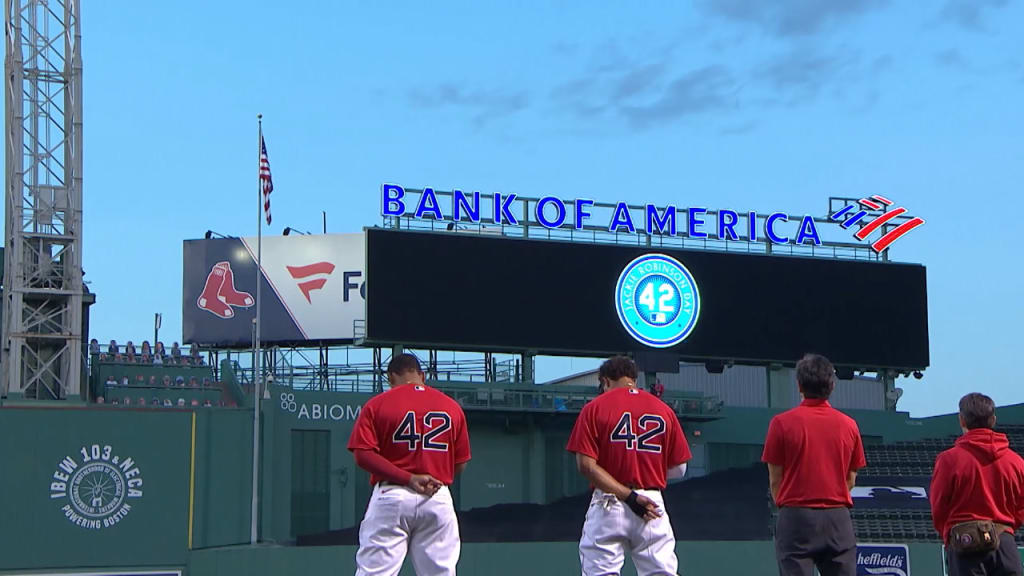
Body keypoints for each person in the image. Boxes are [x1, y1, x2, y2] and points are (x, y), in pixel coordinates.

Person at [347, 353, 471, 576]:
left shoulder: (378, 404)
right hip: (437, 496)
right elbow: (460, 463)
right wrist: (434, 479)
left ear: (391, 377)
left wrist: (409, 478)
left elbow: (362, 455)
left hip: (392, 494)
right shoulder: (451, 407)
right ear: (422, 375)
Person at [566, 355, 691, 576]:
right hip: (652, 503)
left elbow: (586, 466)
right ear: (633, 378)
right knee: (661, 573)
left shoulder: (595, 408)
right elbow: (680, 468)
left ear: (605, 381)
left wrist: (629, 496)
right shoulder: (663, 409)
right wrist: (645, 477)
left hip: (610, 501)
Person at [762, 353, 866, 576]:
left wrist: (790, 506)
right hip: (837, 517)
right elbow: (851, 478)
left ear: (799, 385)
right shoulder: (849, 425)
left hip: (796, 516)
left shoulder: (781, 423)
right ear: (832, 385)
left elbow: (775, 479)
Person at [931, 393, 1024, 576]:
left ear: (961, 420)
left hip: (965, 543)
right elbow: (1021, 508)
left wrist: (949, 533)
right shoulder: (1016, 462)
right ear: (993, 420)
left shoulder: (948, 460)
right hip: (1004, 543)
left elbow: (938, 507)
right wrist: (1005, 528)